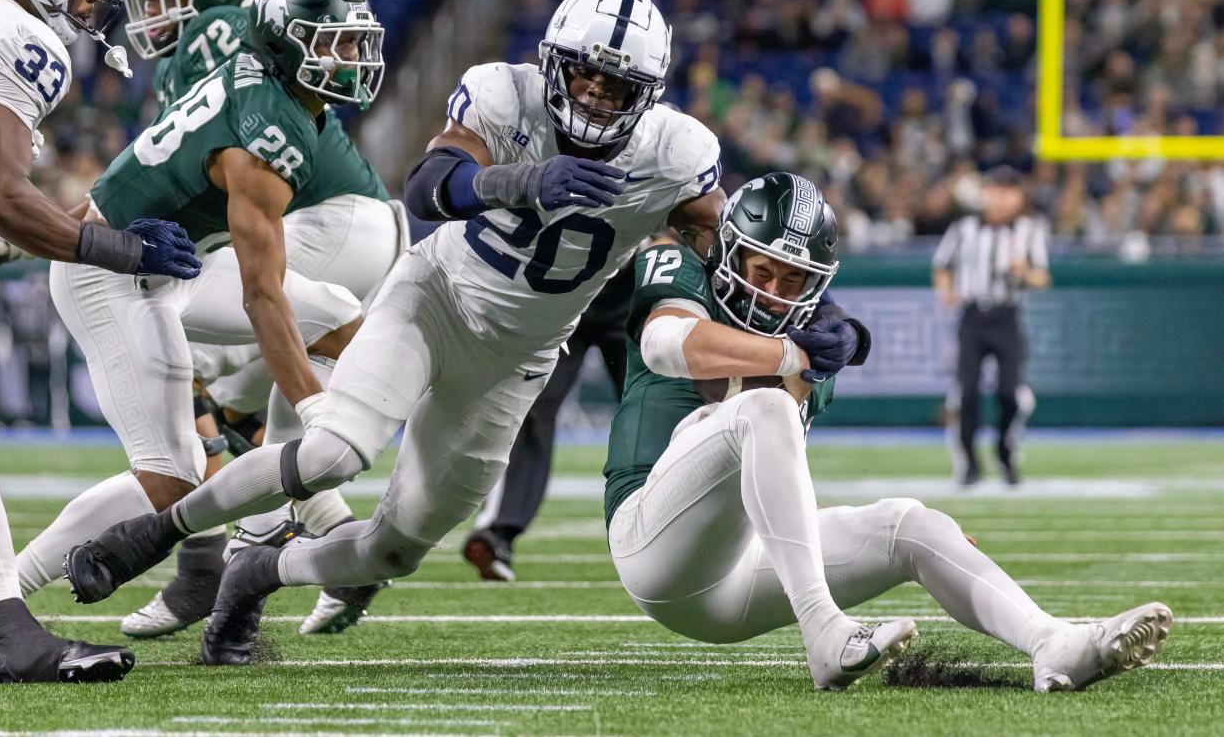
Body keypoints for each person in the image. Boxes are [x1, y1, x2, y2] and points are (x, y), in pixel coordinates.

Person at [64, 0, 726, 668]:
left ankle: (256, 572)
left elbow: (726, 258)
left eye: (616, 86)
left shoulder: (674, 153)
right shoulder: (505, 93)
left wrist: (795, 322)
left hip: (515, 364)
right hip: (432, 300)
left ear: (647, 94)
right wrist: (523, 181)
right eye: (584, 72)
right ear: (552, 61)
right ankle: (153, 533)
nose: (593, 95)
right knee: (332, 453)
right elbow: (429, 183)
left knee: (393, 550)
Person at [608, 173, 1171, 692]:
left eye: (792, 278)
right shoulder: (681, 266)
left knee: (913, 525)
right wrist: (790, 353)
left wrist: (804, 362)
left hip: (737, 571)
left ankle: (1055, 642)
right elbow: (666, 345)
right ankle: (826, 632)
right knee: (765, 408)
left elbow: (765, 477)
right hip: (649, 539)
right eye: (761, 271)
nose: (773, 291)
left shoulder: (815, 350)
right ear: (728, 254)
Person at [14, 0, 384, 625]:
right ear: (287, 45)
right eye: (334, 41)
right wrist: (321, 414)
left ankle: (282, 506)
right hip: (110, 275)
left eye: (353, 42)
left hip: (170, 264)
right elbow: (261, 297)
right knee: (172, 476)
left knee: (336, 317)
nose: (350, 57)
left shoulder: (264, 74)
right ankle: (5, 593)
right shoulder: (265, 134)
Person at [114, 0, 408, 640]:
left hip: (328, 223)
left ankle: (213, 560)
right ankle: (335, 547)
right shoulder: (225, 47)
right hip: (357, 227)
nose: (152, 16)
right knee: (246, 403)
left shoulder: (215, 30)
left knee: (169, 340)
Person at [0, 0, 202, 682]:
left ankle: (4, 630)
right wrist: (120, 248)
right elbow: (1, 197)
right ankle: (6, 634)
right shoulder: (13, 34)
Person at [464, 262, 632, 582]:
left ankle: (679, 528)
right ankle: (496, 532)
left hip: (632, 295)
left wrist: (665, 239)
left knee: (655, 411)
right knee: (529, 405)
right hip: (567, 295)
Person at [932, 165, 1049, 485]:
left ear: (1018, 197)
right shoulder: (964, 228)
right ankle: (969, 462)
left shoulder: (1029, 230)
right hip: (973, 317)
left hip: (1007, 317)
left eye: (1007, 192)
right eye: (994, 191)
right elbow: (942, 265)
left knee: (1010, 393)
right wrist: (946, 291)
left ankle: (1004, 452)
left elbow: (1042, 277)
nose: (999, 199)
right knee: (967, 392)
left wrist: (1023, 271)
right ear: (984, 193)